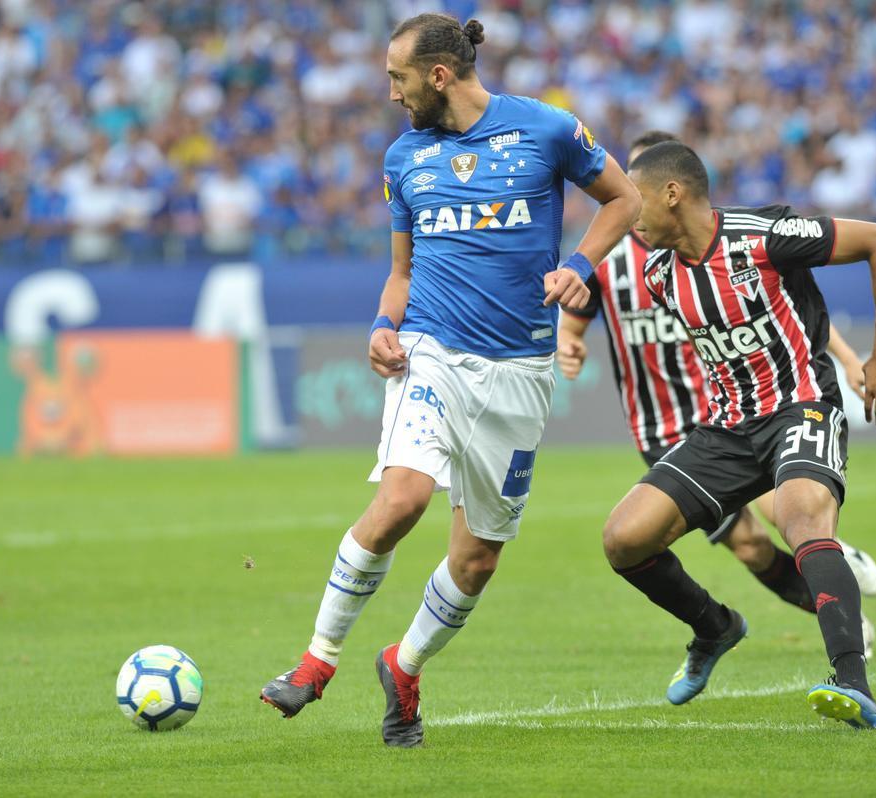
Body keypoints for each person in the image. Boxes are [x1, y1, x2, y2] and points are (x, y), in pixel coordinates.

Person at [259, 13, 640, 748]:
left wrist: (581, 267)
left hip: (520, 368)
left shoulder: (549, 130)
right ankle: (316, 661)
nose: (393, 94)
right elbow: (401, 273)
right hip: (432, 349)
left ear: (439, 75)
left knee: (477, 557)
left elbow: (624, 199)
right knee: (401, 496)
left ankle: (402, 668)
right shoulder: (404, 158)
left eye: (399, 79)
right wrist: (380, 324)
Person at [600, 141, 876, 730]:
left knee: (801, 520)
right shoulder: (659, 273)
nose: (627, 215)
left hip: (801, 408)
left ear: (673, 194)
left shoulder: (761, 236)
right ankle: (715, 626)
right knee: (623, 539)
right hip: (725, 429)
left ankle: (853, 681)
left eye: (634, 201)